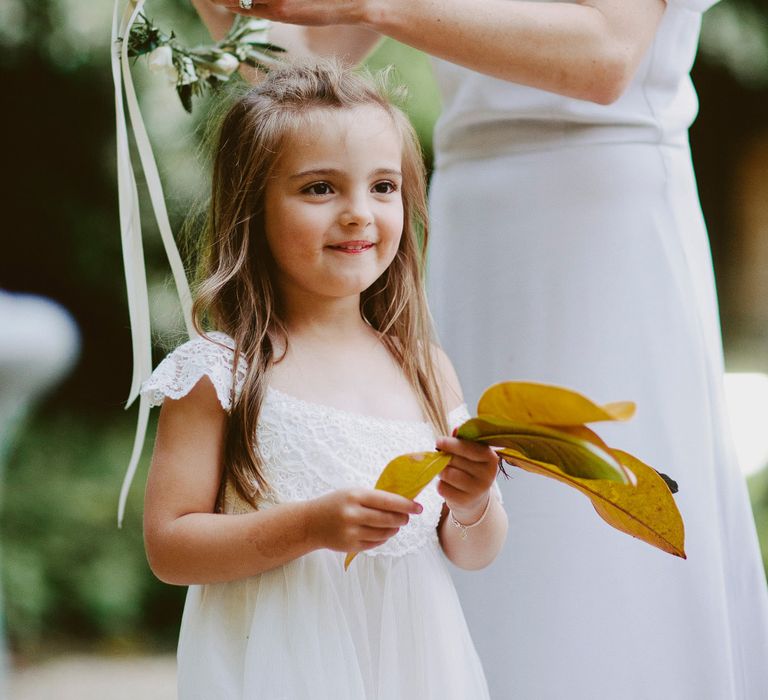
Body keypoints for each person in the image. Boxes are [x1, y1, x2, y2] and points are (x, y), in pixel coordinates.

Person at [191, 2, 768, 698]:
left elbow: (606, 57)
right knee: (449, 498)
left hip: (604, 208)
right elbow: (300, 64)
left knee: (599, 542)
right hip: (471, 204)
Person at [141, 60, 507, 699]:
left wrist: (474, 503)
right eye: (319, 189)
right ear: (254, 207)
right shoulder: (221, 371)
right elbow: (170, 546)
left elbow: (473, 552)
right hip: (281, 666)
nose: (359, 214)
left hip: (414, 667)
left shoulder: (425, 366)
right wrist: (307, 528)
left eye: (384, 187)